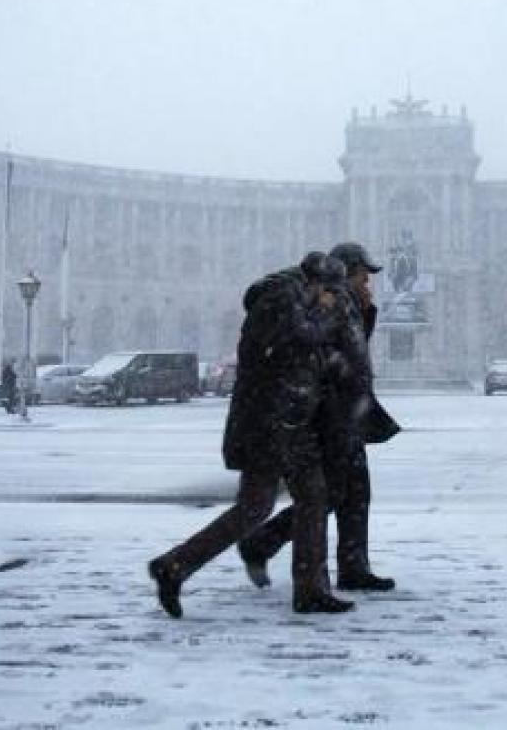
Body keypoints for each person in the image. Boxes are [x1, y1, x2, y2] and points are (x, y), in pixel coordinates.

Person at [148, 252, 357, 618]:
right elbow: (297, 342)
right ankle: (309, 590)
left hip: (276, 419)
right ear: (316, 283)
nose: (332, 300)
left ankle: (175, 566)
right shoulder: (280, 299)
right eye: (330, 292)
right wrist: (328, 316)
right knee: (312, 497)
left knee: (255, 508)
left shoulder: (290, 299)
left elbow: (300, 355)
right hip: (274, 421)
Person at [237, 241, 400, 593]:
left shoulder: (349, 306)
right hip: (330, 412)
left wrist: (366, 313)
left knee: (356, 493)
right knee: (331, 494)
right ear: (346, 272)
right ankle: (263, 542)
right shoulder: (330, 305)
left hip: (346, 411)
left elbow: (354, 351)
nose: (367, 283)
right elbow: (321, 351)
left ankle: (354, 567)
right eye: (363, 276)